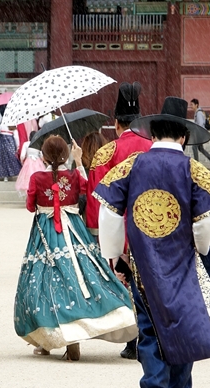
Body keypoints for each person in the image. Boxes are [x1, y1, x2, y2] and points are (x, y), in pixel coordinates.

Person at [94, 96, 210, 388]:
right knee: (184, 325)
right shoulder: (194, 169)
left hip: (144, 262)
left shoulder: (132, 164)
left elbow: (108, 211)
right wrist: (199, 249)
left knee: (150, 327)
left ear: (153, 133)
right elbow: (206, 221)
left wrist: (114, 256)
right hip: (184, 262)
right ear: (184, 136)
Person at [14, 135, 137, 361]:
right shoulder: (71, 175)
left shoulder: (37, 178)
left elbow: (31, 206)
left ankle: (47, 340)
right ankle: (92, 320)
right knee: (81, 275)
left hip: (46, 232)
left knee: (43, 281)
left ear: (42, 156)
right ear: (66, 155)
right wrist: (79, 162)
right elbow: (87, 188)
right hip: (74, 230)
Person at [86, 82, 152, 360]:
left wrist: (94, 232)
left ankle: (131, 338)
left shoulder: (106, 153)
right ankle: (154, 336)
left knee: (123, 281)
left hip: (119, 229)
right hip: (152, 225)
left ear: (115, 124)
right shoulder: (154, 148)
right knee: (151, 281)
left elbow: (96, 198)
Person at [15, 131, 45, 197]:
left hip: (28, 162)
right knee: (38, 179)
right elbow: (42, 156)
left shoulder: (26, 144)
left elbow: (22, 156)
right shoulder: (38, 144)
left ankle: (28, 197)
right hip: (38, 163)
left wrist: (22, 162)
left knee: (27, 180)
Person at [189, 99, 210, 164]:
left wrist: (195, 131)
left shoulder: (199, 113)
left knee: (194, 146)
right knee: (200, 148)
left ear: (196, 105)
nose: (191, 106)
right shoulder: (198, 113)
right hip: (200, 133)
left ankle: (196, 163)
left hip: (200, 133)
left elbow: (200, 124)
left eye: (192, 104)